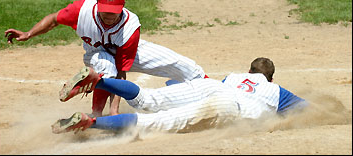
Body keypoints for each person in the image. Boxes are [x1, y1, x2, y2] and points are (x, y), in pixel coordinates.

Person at [4, 0, 208, 117]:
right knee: (105, 67)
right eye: (105, 12)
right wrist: (28, 34)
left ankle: (210, 89)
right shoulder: (82, 10)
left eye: (114, 12)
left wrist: (115, 108)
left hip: (129, 50)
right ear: (98, 4)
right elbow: (54, 19)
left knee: (183, 65)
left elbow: (122, 72)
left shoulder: (130, 26)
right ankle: (96, 115)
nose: (109, 16)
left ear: (123, 6)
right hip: (96, 53)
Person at [51, 57, 308, 134]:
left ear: (248, 72)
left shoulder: (234, 77)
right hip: (228, 106)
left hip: (214, 87)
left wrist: (176, 86)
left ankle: (100, 80)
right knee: (156, 123)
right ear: (271, 78)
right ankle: (90, 121)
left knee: (150, 99)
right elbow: (309, 109)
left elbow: (194, 85)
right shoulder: (277, 91)